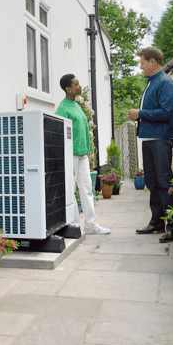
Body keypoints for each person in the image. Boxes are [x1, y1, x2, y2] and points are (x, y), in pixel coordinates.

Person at [127, 46, 173, 243]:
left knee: (165, 183)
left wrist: (140, 114)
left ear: (152, 62)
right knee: (152, 182)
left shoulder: (166, 83)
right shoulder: (152, 83)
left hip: (161, 139)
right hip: (149, 138)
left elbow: (166, 112)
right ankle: (157, 223)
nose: (140, 68)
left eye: (142, 63)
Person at [55, 74, 111, 235]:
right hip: (70, 156)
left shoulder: (77, 106)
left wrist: (88, 154)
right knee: (71, 190)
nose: (80, 86)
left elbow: (84, 133)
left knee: (87, 190)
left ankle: (91, 225)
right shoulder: (62, 109)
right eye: (76, 84)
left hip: (82, 156)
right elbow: (60, 135)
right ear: (68, 89)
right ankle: (73, 227)